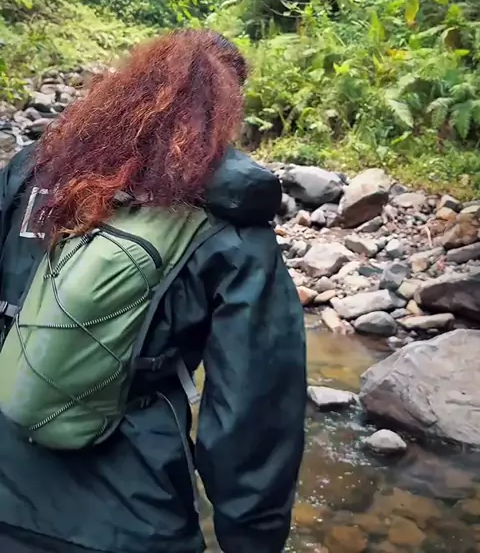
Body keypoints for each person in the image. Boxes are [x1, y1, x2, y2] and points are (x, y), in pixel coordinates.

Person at [0, 29, 307, 553]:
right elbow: (253, 407)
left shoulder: (35, 170)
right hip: (131, 513)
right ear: (226, 108)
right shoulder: (227, 220)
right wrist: (252, 538)